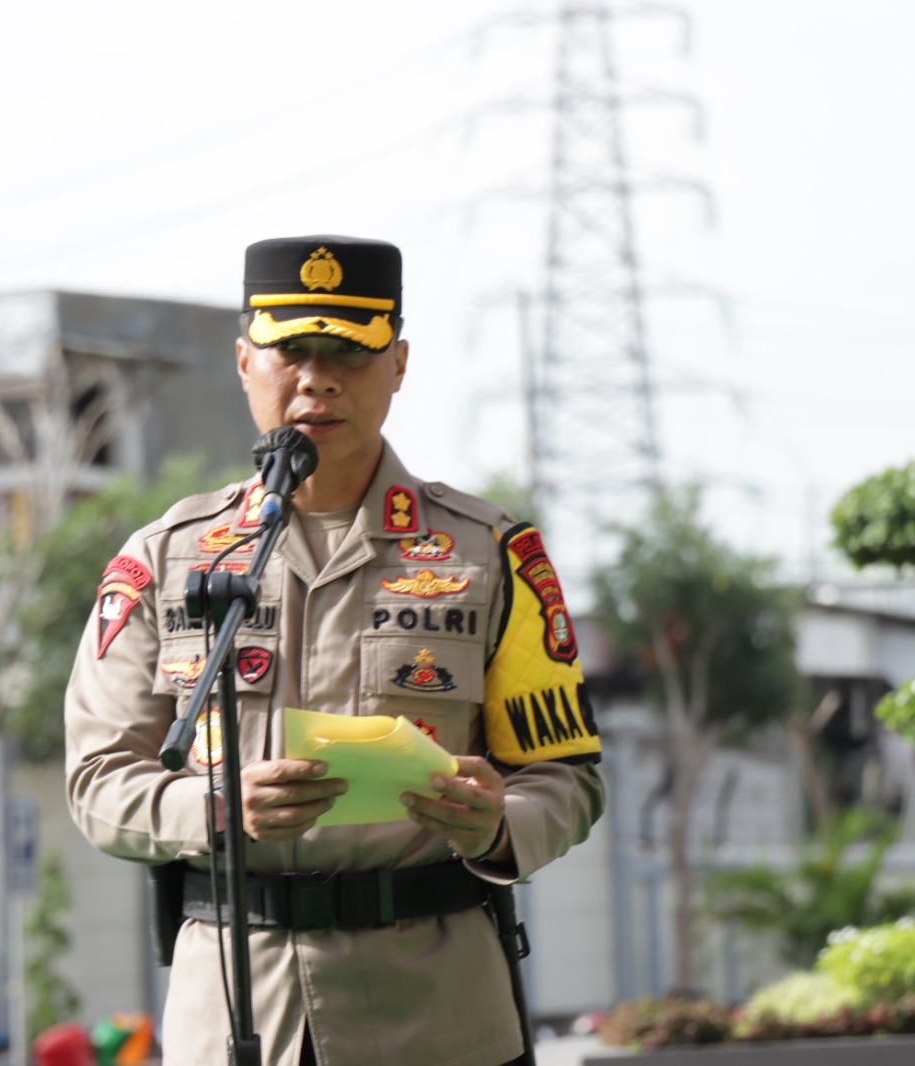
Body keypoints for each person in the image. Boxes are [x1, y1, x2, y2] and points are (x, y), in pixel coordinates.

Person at [64, 235, 605, 1066]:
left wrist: (499, 825)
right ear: (244, 362)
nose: (317, 379)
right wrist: (214, 810)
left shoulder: (489, 555)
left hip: (435, 1014)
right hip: (236, 1010)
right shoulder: (166, 558)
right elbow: (98, 781)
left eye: (350, 352)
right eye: (291, 352)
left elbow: (569, 778)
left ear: (399, 364)